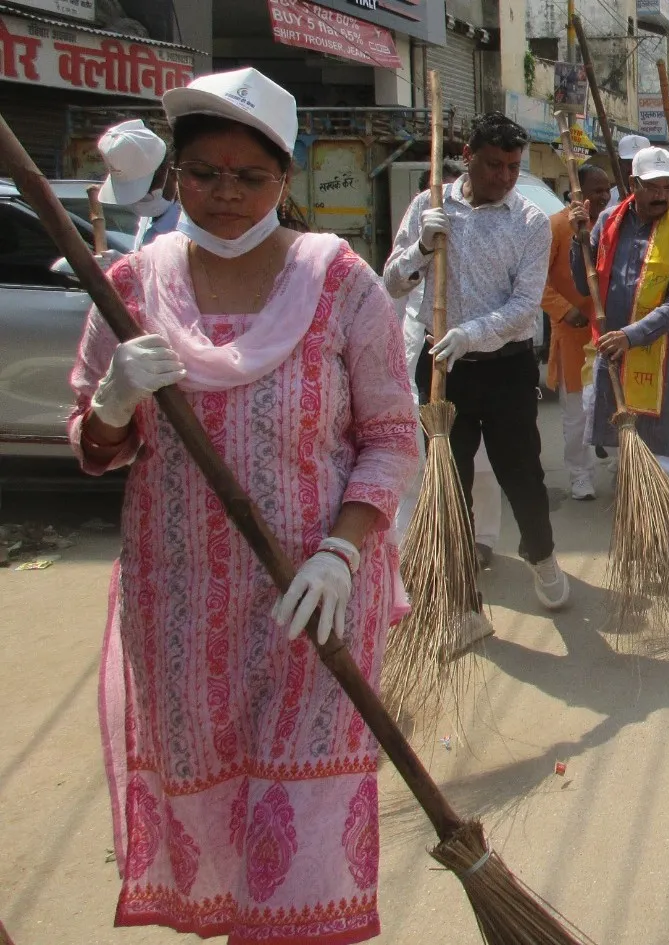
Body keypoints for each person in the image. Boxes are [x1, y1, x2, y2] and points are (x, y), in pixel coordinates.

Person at [69, 67, 419, 943]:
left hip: (315, 600)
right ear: (174, 174)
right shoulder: (129, 287)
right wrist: (111, 401)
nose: (225, 193)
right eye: (203, 173)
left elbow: (391, 436)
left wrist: (342, 552)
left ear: (284, 178)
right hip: (181, 611)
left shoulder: (341, 283)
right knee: (222, 813)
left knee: (300, 822)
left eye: (250, 176)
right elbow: (95, 448)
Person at [385, 111, 569, 609]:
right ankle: (459, 578)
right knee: (448, 475)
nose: (504, 177)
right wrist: (421, 248)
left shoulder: (529, 222)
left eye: (513, 167)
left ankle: (541, 554)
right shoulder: (429, 206)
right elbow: (393, 282)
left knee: (521, 472)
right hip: (443, 369)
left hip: (507, 367)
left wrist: (470, 334)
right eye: (493, 165)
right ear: (467, 157)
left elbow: (525, 306)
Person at [570, 146, 669, 508]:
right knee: (630, 457)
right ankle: (644, 536)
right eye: (653, 187)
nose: (662, 195)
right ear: (633, 184)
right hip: (617, 359)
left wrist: (631, 336)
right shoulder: (607, 222)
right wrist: (578, 241)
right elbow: (585, 286)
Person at [545, 162, 611, 502]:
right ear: (577, 192)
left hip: (610, 332)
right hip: (573, 336)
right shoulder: (556, 226)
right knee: (577, 414)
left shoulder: (613, 225)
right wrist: (564, 310)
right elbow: (534, 281)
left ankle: (623, 466)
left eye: (607, 190)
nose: (604, 196)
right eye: (596, 190)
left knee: (616, 403)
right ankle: (580, 475)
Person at [98, 119, 181, 251]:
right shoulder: (147, 219)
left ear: (171, 172)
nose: (139, 201)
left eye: (146, 191)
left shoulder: (192, 226)